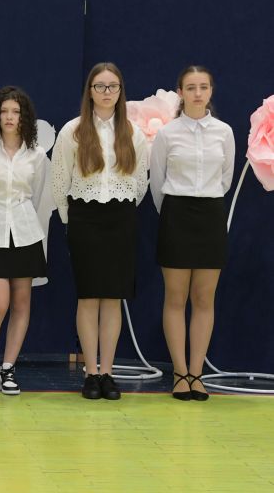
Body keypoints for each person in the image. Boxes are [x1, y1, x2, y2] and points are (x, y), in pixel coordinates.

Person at [51, 62, 148, 401]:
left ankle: (107, 372)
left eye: (113, 86)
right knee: (89, 297)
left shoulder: (133, 132)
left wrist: (122, 211)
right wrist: (71, 220)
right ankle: (90, 373)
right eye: (100, 86)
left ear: (120, 92)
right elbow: (59, 181)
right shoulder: (73, 131)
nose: (107, 92)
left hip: (120, 218)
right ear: (90, 92)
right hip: (84, 218)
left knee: (113, 298)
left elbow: (140, 182)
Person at [150, 66, 234, 401]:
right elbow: (157, 182)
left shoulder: (224, 132)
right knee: (175, 297)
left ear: (211, 91)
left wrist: (205, 202)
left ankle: (197, 374)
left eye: (203, 87)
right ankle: (179, 372)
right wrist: (174, 212)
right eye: (191, 87)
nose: (197, 93)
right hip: (176, 214)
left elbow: (225, 179)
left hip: (211, 215)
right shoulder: (168, 134)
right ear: (180, 93)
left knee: (203, 299)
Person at [0, 86, 50, 396]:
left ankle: (8, 368)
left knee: (21, 303)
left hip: (25, 233)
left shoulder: (37, 154)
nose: (10, 117)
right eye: (4, 111)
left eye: (16, 112)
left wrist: (19, 218)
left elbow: (36, 197)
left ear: (24, 117)